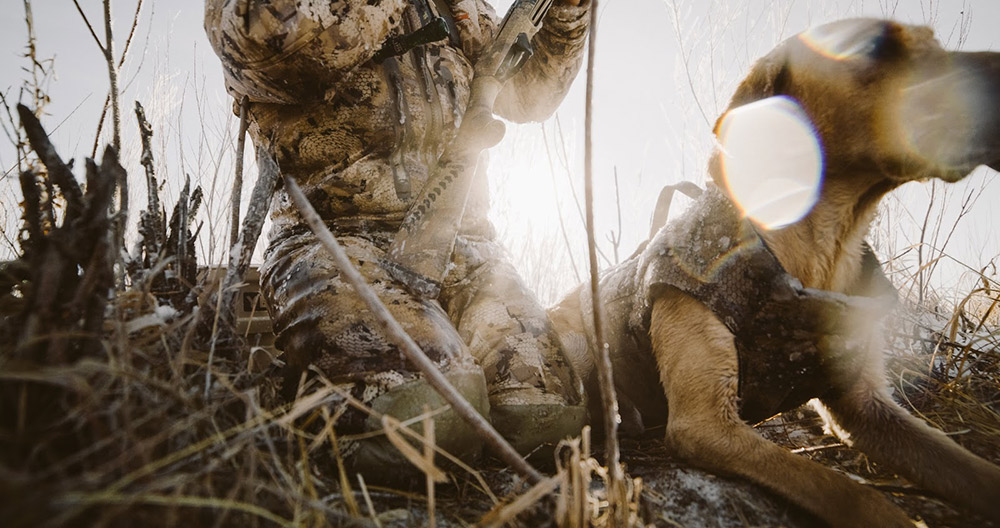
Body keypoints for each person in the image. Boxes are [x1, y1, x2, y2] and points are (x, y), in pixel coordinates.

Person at [204, 0, 591, 474]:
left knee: (550, 421)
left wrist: (567, 13)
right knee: (423, 419)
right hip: (337, 243)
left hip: (467, 249)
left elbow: (532, 90)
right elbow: (270, 40)